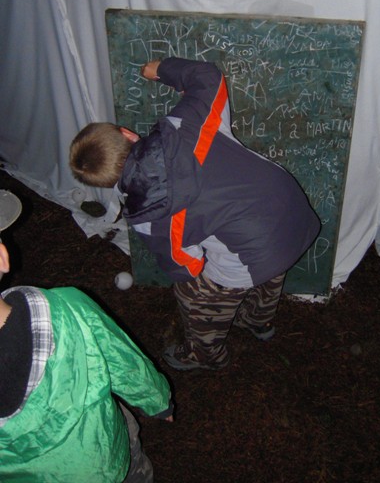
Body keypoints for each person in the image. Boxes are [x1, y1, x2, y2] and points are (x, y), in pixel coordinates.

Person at [70, 57, 321, 371]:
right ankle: (259, 321)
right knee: (267, 258)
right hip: (296, 213)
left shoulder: (147, 216)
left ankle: (206, 355)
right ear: (128, 134)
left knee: (194, 294)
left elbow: (186, 266)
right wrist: (161, 69)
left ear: (107, 183)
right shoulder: (186, 123)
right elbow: (208, 76)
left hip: (255, 252)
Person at [0, 238, 173, 482]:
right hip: (106, 453)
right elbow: (121, 359)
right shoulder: (67, 307)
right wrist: (157, 400)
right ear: (2, 257)